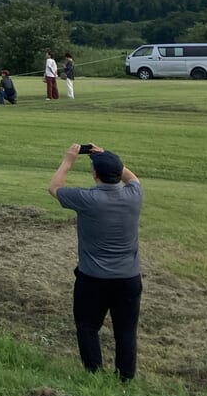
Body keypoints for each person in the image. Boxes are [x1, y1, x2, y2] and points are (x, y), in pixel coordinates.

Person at [49, 144, 143, 382]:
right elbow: (132, 178)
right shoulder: (134, 195)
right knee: (125, 331)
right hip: (129, 278)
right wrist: (108, 158)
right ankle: (125, 378)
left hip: (93, 279)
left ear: (94, 175)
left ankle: (93, 375)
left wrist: (68, 160)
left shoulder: (87, 199)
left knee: (88, 327)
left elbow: (55, 187)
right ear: (119, 171)